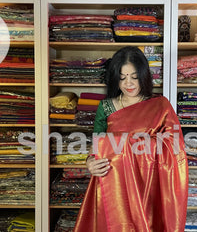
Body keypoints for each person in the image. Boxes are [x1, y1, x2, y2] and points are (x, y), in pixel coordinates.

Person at [74, 46, 188, 232]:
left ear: (143, 75)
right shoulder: (106, 107)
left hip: (148, 185)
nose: (129, 83)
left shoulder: (160, 105)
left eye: (134, 77)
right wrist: (90, 163)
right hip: (113, 184)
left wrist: (130, 144)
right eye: (122, 77)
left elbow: (175, 146)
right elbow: (96, 146)